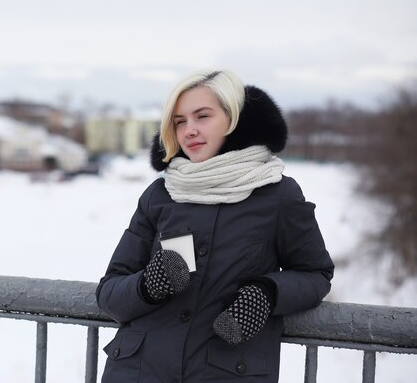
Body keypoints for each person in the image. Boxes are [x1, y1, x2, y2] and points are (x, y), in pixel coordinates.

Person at [96, 69, 334, 383]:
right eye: (180, 121)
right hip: (137, 372)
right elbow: (109, 292)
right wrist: (147, 286)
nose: (189, 130)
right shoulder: (160, 194)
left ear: (232, 118)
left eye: (202, 116)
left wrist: (267, 293)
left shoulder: (278, 195)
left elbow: (315, 274)